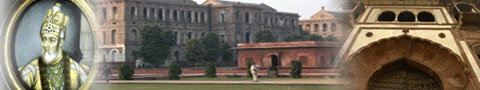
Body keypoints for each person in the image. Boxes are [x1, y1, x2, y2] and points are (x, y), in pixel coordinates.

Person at [18, 3, 89, 90]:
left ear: (61, 42)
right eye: (44, 39)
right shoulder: (30, 71)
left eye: (52, 40)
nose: (46, 45)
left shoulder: (76, 69)